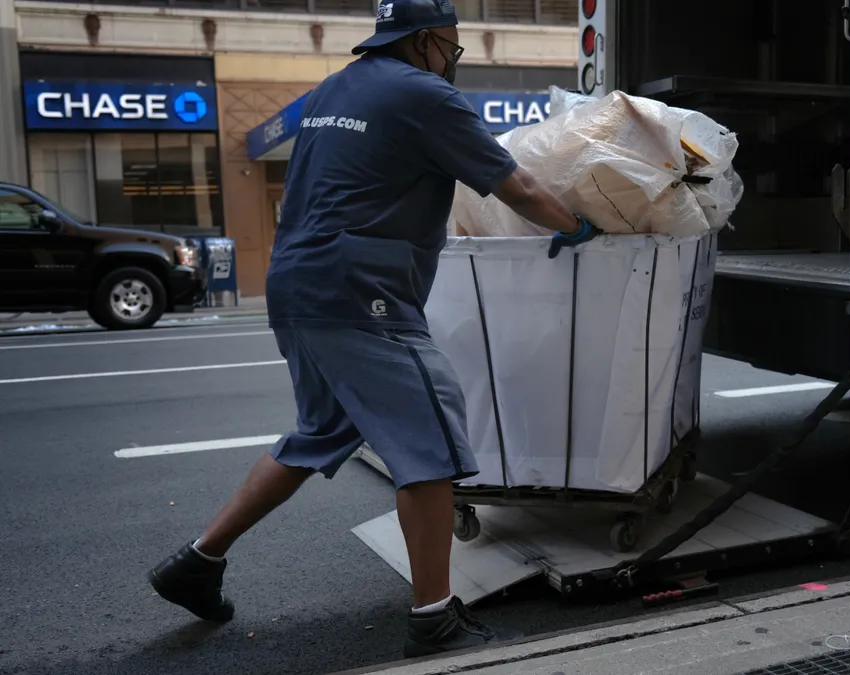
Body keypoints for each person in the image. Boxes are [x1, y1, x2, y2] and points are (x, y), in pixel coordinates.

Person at [146, 0, 600, 658]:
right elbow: (519, 186)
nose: (455, 61)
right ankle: (434, 616)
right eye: (452, 47)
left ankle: (197, 560)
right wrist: (580, 227)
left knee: (319, 432)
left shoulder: (335, 88)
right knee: (432, 432)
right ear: (422, 43)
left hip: (297, 281)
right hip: (361, 291)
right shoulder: (425, 94)